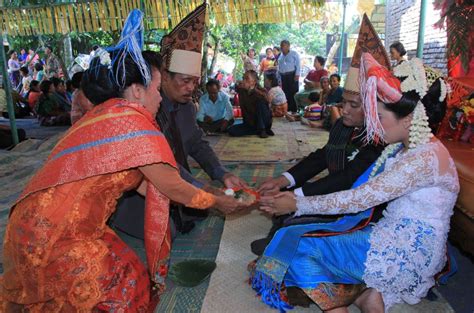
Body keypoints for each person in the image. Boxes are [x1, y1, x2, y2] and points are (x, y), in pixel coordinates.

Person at [0, 10, 241, 312]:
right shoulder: (134, 124)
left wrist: (211, 192)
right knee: (125, 290)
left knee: (128, 276)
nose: (159, 98)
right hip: (58, 234)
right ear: (138, 90)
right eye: (155, 89)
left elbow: (149, 183)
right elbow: (171, 186)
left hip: (37, 224)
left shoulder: (109, 113)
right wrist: (216, 201)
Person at [254, 52, 458, 313]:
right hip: (386, 233)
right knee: (295, 239)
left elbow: (359, 197)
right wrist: (293, 197)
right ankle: (363, 296)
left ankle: (341, 302)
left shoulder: (423, 158)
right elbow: (330, 167)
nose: (374, 122)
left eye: (380, 116)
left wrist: (296, 202)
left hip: (408, 250)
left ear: (409, 119)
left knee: (297, 248)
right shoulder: (406, 147)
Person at [251, 12, 391, 268]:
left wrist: (297, 196)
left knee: (293, 216)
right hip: (333, 190)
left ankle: (285, 242)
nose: (344, 110)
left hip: (358, 208)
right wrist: (284, 180)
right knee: (286, 201)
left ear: (372, 106)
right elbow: (321, 157)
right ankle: (282, 234)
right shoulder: (343, 126)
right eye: (343, 103)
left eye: (353, 105)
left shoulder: (380, 140)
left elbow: (347, 179)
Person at [112, 4, 247, 239]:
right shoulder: (144, 112)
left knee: (191, 213)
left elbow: (197, 143)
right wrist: (209, 193)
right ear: (163, 77)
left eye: (195, 82)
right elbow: (167, 168)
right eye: (185, 81)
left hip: (172, 183)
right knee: (167, 231)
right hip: (138, 192)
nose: (191, 88)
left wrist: (221, 174)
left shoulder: (185, 108)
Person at [228, 70, 273, 138]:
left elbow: (267, 100)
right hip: (250, 122)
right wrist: (240, 85)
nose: (244, 80)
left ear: (254, 82)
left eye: (247, 78)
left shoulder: (261, 90)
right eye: (243, 78)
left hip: (263, 121)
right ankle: (256, 131)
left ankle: (262, 129)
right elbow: (236, 86)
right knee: (231, 130)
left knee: (260, 102)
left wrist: (253, 90)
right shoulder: (242, 90)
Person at [277, 40, 300, 112]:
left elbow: (298, 65)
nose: (282, 47)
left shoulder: (294, 54)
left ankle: (294, 110)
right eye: (281, 45)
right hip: (283, 76)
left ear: (288, 46)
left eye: (283, 45)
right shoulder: (280, 56)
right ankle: (288, 109)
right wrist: (279, 78)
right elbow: (279, 67)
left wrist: (297, 74)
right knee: (285, 93)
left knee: (293, 92)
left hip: (292, 75)